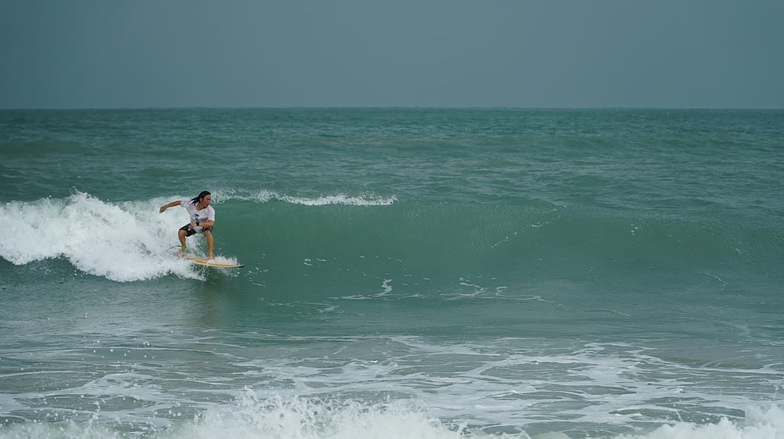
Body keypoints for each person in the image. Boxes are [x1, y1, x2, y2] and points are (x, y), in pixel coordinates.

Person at [159, 191, 216, 258]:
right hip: (193, 226)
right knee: (181, 232)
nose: (209, 202)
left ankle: (210, 255)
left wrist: (198, 224)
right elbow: (178, 202)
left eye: (210, 200)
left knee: (208, 232)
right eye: (207, 199)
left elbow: (211, 223)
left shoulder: (210, 210)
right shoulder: (190, 204)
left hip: (204, 226)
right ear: (201, 199)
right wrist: (165, 206)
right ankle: (183, 250)